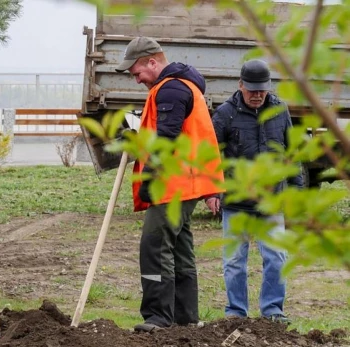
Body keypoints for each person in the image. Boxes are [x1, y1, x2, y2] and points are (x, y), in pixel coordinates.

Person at [115, 37, 224, 332]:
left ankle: (159, 317)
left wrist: (150, 175)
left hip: (174, 182)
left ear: (152, 61)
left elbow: (167, 138)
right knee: (180, 248)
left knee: (154, 246)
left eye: (136, 72)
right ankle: (186, 317)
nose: (135, 79)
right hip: (189, 181)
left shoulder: (171, 89)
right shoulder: (181, 87)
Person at [206, 59, 303, 324]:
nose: (258, 95)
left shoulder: (279, 111)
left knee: (276, 258)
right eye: (252, 90)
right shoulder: (225, 114)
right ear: (240, 85)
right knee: (235, 262)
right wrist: (211, 191)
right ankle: (236, 313)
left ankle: (273, 311)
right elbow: (210, 155)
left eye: (262, 89)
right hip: (237, 202)